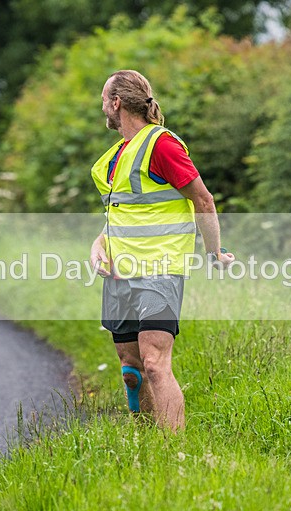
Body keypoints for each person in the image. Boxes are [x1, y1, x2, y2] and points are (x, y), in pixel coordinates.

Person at [89, 70, 234, 432]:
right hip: (119, 273)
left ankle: (176, 455)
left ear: (117, 102)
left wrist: (214, 252)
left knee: (155, 364)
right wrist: (98, 244)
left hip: (160, 269)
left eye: (104, 98)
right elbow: (121, 214)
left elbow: (203, 199)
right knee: (131, 370)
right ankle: (146, 445)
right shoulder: (114, 158)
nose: (101, 105)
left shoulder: (162, 145)